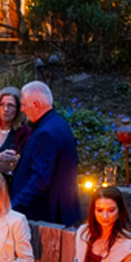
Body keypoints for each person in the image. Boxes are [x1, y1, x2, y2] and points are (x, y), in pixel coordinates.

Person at [10, 82, 82, 227]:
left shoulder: (46, 133)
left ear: (36, 104)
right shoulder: (57, 124)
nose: (22, 109)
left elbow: (40, 180)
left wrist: (13, 206)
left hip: (47, 216)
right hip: (59, 210)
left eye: (24, 105)